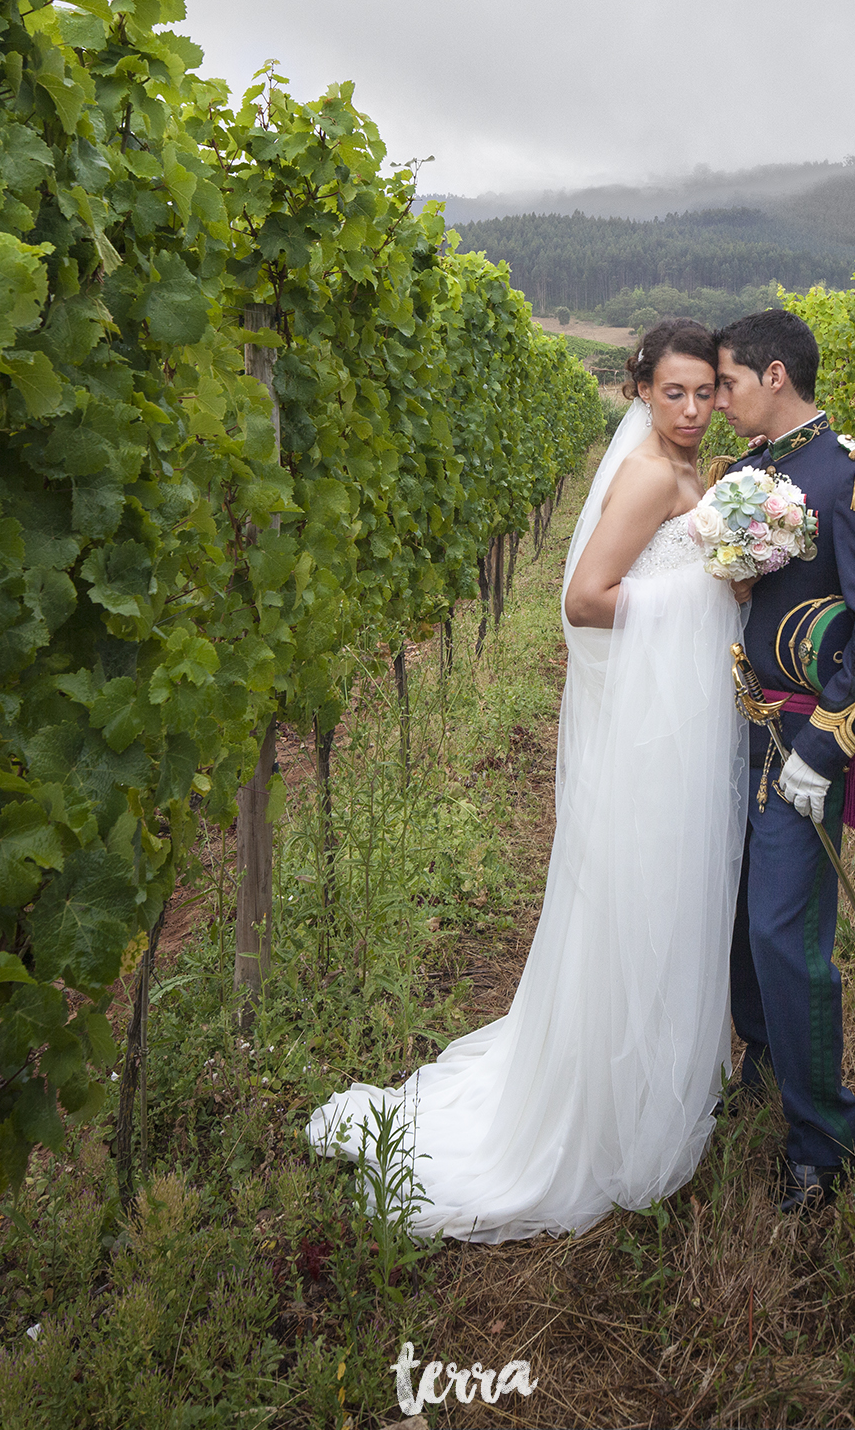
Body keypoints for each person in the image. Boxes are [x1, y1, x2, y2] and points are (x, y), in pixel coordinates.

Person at [307, 318, 748, 1241]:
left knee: (672, 894)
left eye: (707, 391)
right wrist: (706, 585)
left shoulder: (692, 474)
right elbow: (584, 601)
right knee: (643, 894)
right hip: (652, 728)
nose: (695, 409)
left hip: (685, 711)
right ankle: (609, 1111)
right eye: (675, 392)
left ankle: (650, 1086)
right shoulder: (646, 475)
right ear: (639, 393)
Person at [711, 309, 855, 1214]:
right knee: (730, 922)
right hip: (734, 725)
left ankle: (823, 1142)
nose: (718, 399)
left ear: (771, 375)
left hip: (802, 740)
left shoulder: (854, 479)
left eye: (725, 382)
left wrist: (824, 748)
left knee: (783, 938)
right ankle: (763, 1065)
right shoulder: (750, 476)